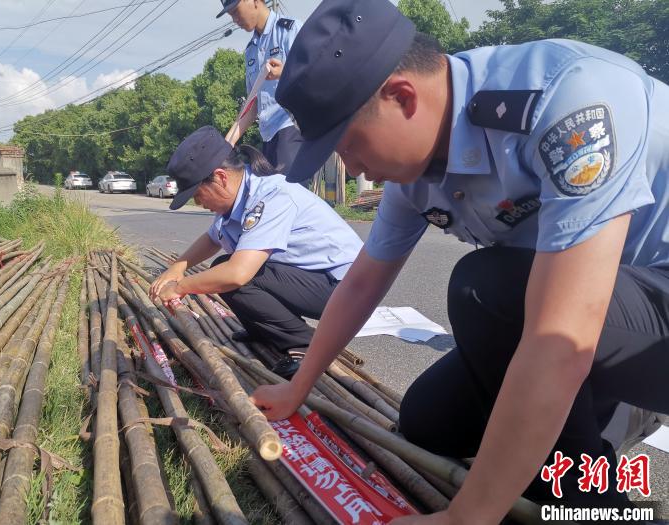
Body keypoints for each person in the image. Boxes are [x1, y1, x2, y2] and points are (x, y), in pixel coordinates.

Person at [250, 0, 669, 522]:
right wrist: (298, 385)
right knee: (429, 423)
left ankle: (588, 502)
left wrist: (463, 517)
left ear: (402, 97)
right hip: (598, 311)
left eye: (349, 145)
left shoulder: (568, 105)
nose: (353, 168)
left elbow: (560, 340)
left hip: (648, 307)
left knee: (483, 289)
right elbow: (362, 282)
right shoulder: (418, 170)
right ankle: (593, 420)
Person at [149, 126, 363, 378]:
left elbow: (237, 274)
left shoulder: (271, 196)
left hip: (347, 290)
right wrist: (179, 265)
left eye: (197, 194)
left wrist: (180, 287)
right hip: (317, 281)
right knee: (224, 264)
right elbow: (212, 238)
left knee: (233, 275)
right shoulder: (238, 198)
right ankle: (264, 331)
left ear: (220, 177)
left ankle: (305, 345)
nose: (199, 203)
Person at [216, 0, 304, 175]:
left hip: (291, 129)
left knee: (288, 197)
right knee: (268, 197)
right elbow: (252, 103)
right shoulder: (250, 51)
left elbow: (316, 74)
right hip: (267, 136)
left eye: (235, 11)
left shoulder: (289, 30)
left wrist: (284, 72)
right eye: (230, 15)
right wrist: (227, 143)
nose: (234, 20)